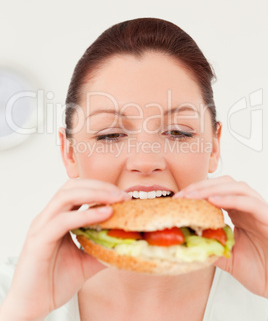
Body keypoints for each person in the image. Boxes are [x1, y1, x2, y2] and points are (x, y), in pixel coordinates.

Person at [0, 18, 267, 321]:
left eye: (178, 132)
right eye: (110, 135)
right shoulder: (10, 295)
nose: (145, 161)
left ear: (214, 146)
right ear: (69, 152)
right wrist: (23, 312)